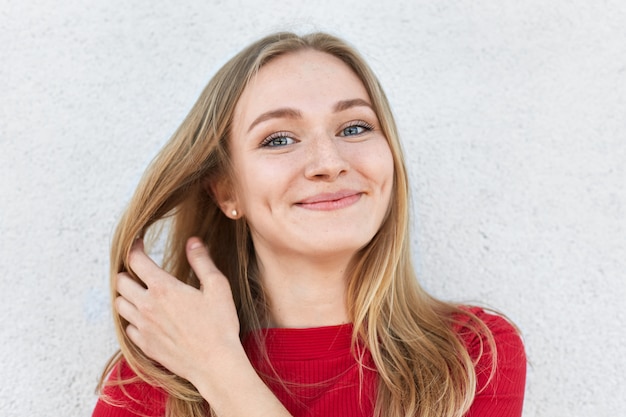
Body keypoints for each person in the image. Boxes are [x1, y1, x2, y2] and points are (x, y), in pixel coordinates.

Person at [93, 32, 526, 417]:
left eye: (355, 128)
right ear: (227, 191)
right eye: (279, 139)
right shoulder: (152, 379)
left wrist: (219, 370)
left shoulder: (472, 356)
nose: (329, 163)